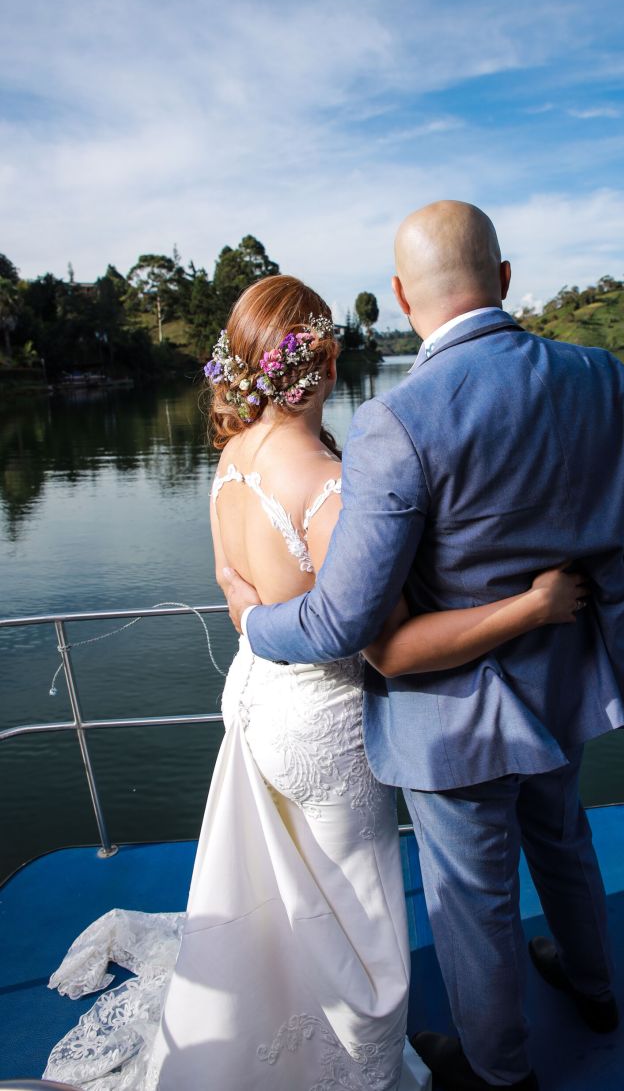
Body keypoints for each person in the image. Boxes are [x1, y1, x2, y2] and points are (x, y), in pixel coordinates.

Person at [44, 273, 590, 1091]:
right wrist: (534, 606)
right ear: (326, 363)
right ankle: (369, 1070)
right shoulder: (332, 488)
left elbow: (232, 582)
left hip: (254, 695)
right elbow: (391, 652)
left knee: (288, 891)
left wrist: (249, 610)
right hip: (323, 727)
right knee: (360, 917)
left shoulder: (231, 458)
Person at [224, 204, 624, 1091]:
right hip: (566, 683)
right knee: (564, 837)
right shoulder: (603, 377)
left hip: (450, 717)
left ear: (400, 294)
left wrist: (249, 621)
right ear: (504, 278)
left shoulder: (399, 419)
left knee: (474, 903)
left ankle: (498, 1071)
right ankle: (595, 986)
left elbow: (344, 624)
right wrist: (571, 631)